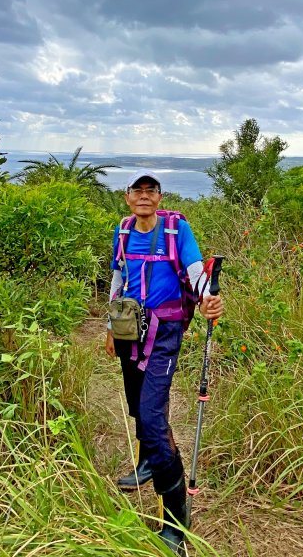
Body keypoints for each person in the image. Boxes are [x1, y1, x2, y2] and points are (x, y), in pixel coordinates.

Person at [105, 170, 223, 552]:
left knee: (153, 417)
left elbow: (194, 270)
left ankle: (176, 517)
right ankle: (148, 463)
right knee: (138, 404)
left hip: (165, 333)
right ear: (127, 198)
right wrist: (110, 326)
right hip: (128, 330)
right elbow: (118, 277)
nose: (143, 196)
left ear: (159, 197)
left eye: (150, 190)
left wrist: (208, 297)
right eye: (137, 190)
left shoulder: (175, 231)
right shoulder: (123, 231)